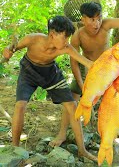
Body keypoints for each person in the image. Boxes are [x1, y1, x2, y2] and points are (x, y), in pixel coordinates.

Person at [2, 16, 96, 161]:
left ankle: (82, 150)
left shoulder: (66, 48)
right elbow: (12, 50)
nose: (67, 42)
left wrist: (115, 68)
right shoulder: (32, 39)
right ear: (53, 34)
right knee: (20, 105)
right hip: (28, 72)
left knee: (72, 105)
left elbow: (88, 63)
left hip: (51, 75)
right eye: (65, 37)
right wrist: (8, 51)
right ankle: (15, 148)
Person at [69, 1, 119, 101]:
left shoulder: (106, 24)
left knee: (117, 96)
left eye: (99, 19)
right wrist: (82, 87)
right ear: (83, 20)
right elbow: (74, 62)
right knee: (73, 96)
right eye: (92, 20)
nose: (97, 24)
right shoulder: (77, 36)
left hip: (110, 67)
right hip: (90, 68)